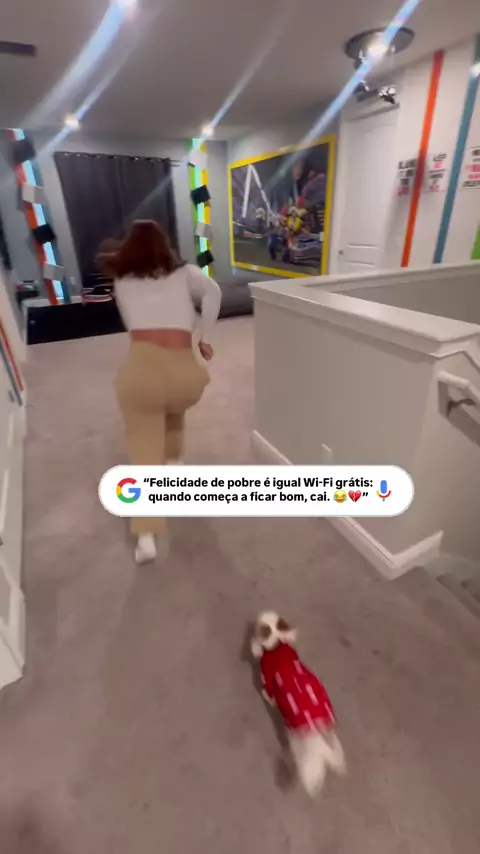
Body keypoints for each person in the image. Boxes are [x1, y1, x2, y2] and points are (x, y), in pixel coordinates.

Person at [97, 220, 221, 565]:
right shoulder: (187, 273)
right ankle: (176, 463)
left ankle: (147, 535)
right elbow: (214, 293)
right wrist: (205, 337)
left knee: (144, 450)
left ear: (128, 247)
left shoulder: (121, 279)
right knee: (172, 405)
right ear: (165, 245)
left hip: (143, 370)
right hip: (186, 377)